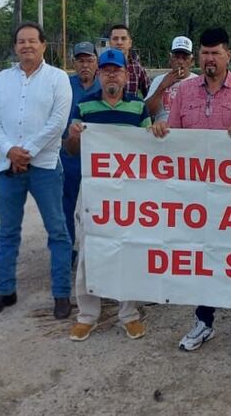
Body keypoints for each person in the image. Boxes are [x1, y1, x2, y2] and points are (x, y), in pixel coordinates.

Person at [150, 27, 231, 359]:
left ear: (228, 55)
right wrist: (161, 131)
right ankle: (204, 320)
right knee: (203, 258)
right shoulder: (185, 92)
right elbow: (172, 135)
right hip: (197, 197)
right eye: (204, 53)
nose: (209, 59)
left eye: (215, 53)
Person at [0, 22, 73, 320]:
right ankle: (5, 290)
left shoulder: (58, 78)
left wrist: (27, 151)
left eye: (33, 41)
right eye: (21, 41)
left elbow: (58, 122)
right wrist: (9, 151)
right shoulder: (2, 79)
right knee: (7, 232)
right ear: (15, 46)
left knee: (57, 232)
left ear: (44, 45)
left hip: (44, 166)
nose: (27, 46)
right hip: (9, 166)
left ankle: (61, 294)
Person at [63, 48, 152, 343]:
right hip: (94, 190)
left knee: (129, 249)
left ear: (127, 75)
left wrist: (158, 132)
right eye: (107, 70)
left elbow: (149, 149)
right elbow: (71, 151)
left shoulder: (139, 108)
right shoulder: (84, 107)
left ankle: (128, 314)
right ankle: (87, 315)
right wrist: (73, 137)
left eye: (117, 70)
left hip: (128, 192)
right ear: (99, 74)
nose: (112, 74)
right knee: (89, 249)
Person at [60, 41, 102, 268]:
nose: (85, 65)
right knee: (65, 205)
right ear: (74, 63)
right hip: (69, 155)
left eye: (89, 60)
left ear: (97, 63)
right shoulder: (64, 86)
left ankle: (96, 252)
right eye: (80, 60)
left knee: (97, 207)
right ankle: (66, 252)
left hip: (98, 158)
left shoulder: (104, 85)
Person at [145, 36, 199, 122]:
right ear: (170, 59)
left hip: (189, 132)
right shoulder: (159, 80)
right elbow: (147, 112)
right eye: (176, 57)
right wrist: (162, 87)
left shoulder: (199, 82)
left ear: (192, 61)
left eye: (185, 58)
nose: (180, 62)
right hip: (163, 132)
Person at [107, 23, 150, 97]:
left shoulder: (137, 68)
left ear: (130, 43)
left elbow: (149, 95)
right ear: (110, 43)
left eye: (123, 39)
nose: (119, 42)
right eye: (115, 39)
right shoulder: (101, 67)